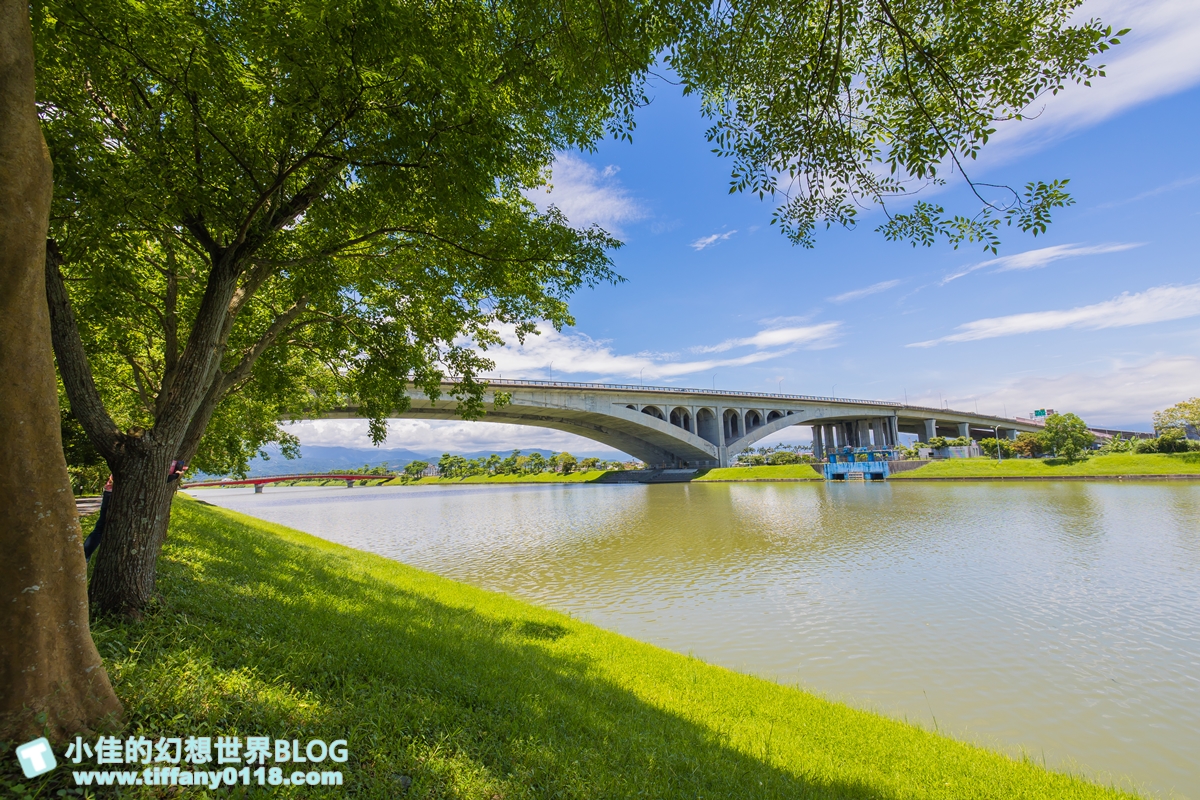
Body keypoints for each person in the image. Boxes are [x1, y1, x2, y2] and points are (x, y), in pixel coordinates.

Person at [83, 462, 189, 561]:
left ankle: (85, 556)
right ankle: (84, 557)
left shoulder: (145, 458)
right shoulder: (162, 462)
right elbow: (155, 481)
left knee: (103, 527)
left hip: (111, 491)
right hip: (119, 494)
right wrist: (175, 476)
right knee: (103, 528)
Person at [83, 474, 112, 561]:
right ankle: (83, 557)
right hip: (112, 493)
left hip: (109, 492)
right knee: (100, 528)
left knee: (100, 528)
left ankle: (83, 557)